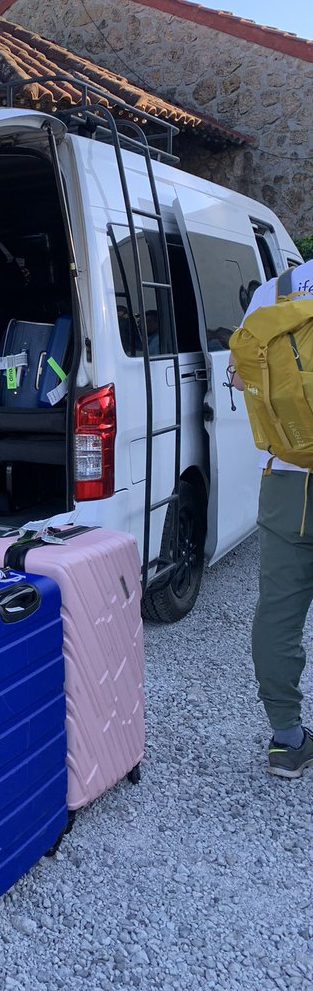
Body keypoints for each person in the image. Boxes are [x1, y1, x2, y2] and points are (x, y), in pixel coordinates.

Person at [231, 260, 313, 779]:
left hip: (287, 477)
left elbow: (242, 375)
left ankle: (286, 739)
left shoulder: (277, 289)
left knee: (278, 614)